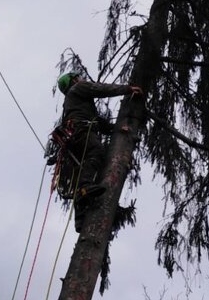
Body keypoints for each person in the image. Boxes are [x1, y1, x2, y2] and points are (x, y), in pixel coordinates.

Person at [55, 72, 143, 224]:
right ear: (74, 80)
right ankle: (84, 188)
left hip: (76, 135)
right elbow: (100, 89)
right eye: (79, 77)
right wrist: (128, 89)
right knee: (96, 152)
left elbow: (97, 121)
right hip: (81, 131)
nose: (82, 79)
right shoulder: (78, 88)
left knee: (86, 165)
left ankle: (80, 216)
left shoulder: (73, 102)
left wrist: (116, 129)